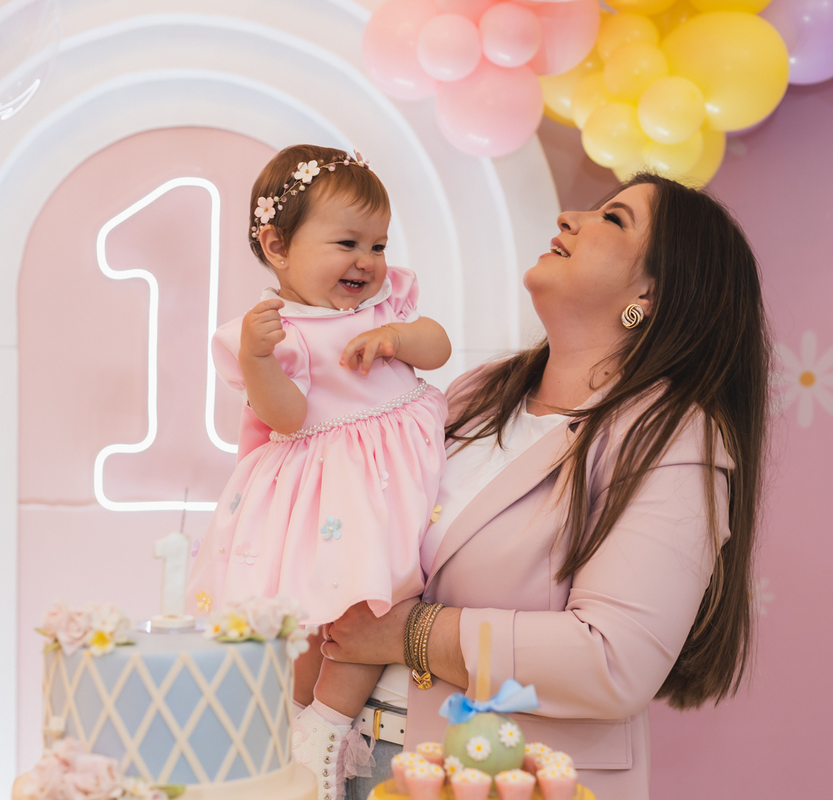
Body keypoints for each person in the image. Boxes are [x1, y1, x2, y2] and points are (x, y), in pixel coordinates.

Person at [317, 173, 771, 800]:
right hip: (346, 757)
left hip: (500, 780)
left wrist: (411, 633)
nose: (569, 218)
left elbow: (611, 659)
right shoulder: (477, 393)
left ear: (650, 294)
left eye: (614, 219)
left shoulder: (674, 439)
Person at [186, 145, 452, 799]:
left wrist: (399, 339)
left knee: (376, 599)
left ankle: (328, 722)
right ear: (277, 246)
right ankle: (304, 722)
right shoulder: (280, 331)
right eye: (346, 243)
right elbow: (287, 415)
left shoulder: (385, 305)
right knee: (317, 608)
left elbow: (438, 345)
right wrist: (258, 361)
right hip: (332, 490)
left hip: (390, 481)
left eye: (377, 244)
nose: (367, 260)